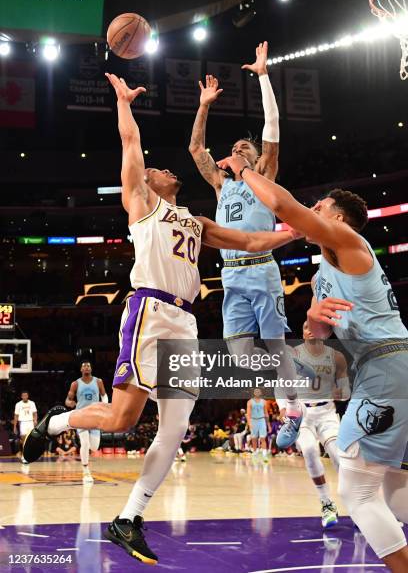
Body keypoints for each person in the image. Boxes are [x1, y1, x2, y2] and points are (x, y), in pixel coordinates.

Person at [23, 74, 301, 566]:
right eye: (155, 168)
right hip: (149, 312)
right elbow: (131, 141)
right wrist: (123, 103)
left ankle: (128, 518)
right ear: (147, 183)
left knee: (174, 430)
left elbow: (253, 242)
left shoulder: (196, 220)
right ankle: (55, 421)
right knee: (123, 419)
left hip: (186, 323)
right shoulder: (143, 204)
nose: (163, 168)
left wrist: (301, 231)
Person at [217, 152, 408, 573]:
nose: (313, 209)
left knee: (357, 492)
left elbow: (283, 207)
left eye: (320, 206)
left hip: (385, 366)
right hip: (383, 367)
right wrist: (311, 320)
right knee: (393, 483)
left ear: (337, 218)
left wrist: (244, 169)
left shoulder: (348, 242)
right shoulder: (325, 268)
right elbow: (317, 335)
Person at [189, 42, 305, 445]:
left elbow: (272, 128)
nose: (238, 148)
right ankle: (288, 371)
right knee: (239, 356)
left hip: (262, 268)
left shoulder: (264, 175)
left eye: (246, 148)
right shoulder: (223, 185)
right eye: (235, 147)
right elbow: (196, 150)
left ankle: (292, 410)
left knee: (275, 344)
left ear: (256, 158)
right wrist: (204, 105)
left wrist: (263, 77)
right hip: (231, 277)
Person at [278, 321, 350, 528]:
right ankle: (326, 503)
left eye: (313, 327)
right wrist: (284, 409)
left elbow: (344, 390)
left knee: (339, 456)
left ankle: (355, 504)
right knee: (309, 449)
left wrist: (342, 393)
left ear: (324, 332)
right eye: (305, 327)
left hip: (327, 412)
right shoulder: (293, 355)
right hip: (303, 413)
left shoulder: (336, 356)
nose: (309, 330)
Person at [65, 361, 108, 482]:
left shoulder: (98, 381)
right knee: (85, 443)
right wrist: (70, 403)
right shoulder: (75, 384)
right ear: (81, 369)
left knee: (94, 447)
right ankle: (86, 471)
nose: (86, 367)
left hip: (95, 416)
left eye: (88, 365)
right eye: (84, 366)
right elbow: (68, 400)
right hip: (81, 416)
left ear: (91, 368)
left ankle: (86, 459)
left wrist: (105, 406)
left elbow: (104, 395)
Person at [247, 388, 270, 461]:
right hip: (253, 420)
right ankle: (255, 453)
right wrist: (249, 423)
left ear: (260, 393)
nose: (257, 392)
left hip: (262, 420)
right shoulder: (250, 402)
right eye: (256, 391)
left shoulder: (264, 402)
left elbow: (266, 413)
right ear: (254, 393)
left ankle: (264, 455)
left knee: (263, 438)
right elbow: (248, 414)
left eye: (258, 391)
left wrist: (268, 425)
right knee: (254, 438)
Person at [13, 391, 37, 462]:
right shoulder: (18, 404)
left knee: (31, 438)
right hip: (23, 422)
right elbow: (16, 415)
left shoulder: (32, 403)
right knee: (23, 439)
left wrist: (35, 420)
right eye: (23, 395)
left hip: (30, 422)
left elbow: (35, 413)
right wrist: (14, 426)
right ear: (21, 396)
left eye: (26, 395)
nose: (25, 397)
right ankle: (24, 453)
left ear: (27, 396)